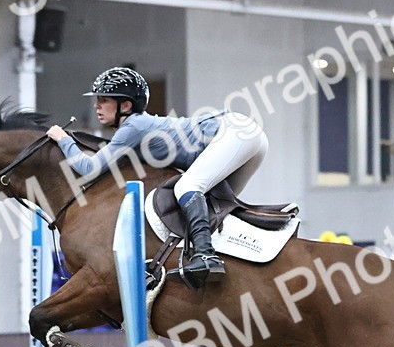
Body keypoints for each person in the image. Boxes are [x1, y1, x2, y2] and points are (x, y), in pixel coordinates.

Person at [47, 67, 269, 289]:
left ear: (126, 106)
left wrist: (63, 139)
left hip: (235, 132)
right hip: (246, 136)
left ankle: (205, 256)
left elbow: (88, 168)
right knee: (215, 206)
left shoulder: (132, 126)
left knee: (187, 187)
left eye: (104, 100)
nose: (97, 105)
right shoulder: (135, 126)